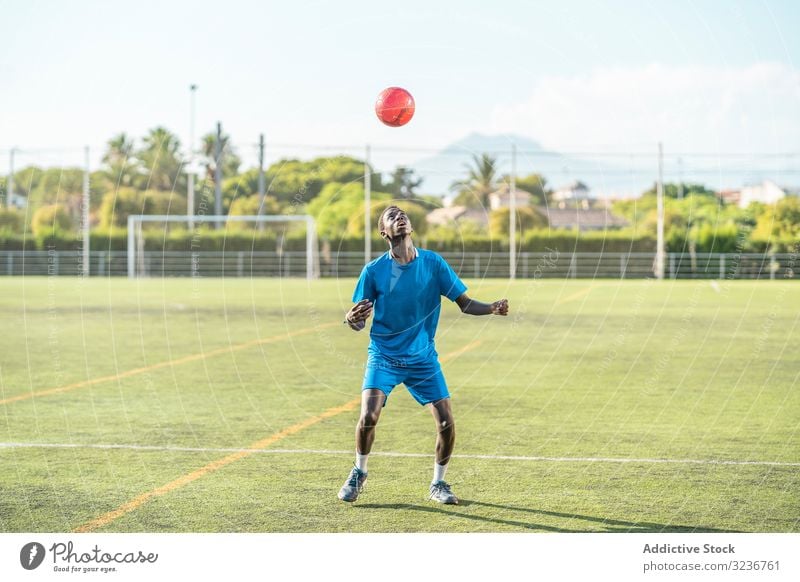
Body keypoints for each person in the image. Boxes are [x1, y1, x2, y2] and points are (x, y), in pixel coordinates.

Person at [338, 205, 509, 504]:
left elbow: (465, 303)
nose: (399, 217)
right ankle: (359, 472)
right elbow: (359, 320)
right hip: (384, 355)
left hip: (422, 358)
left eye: (402, 214)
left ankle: (439, 484)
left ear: (411, 227)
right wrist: (353, 319)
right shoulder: (374, 271)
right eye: (391, 216)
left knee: (446, 422)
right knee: (368, 415)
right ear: (384, 232)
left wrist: (492, 307)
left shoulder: (433, 263)